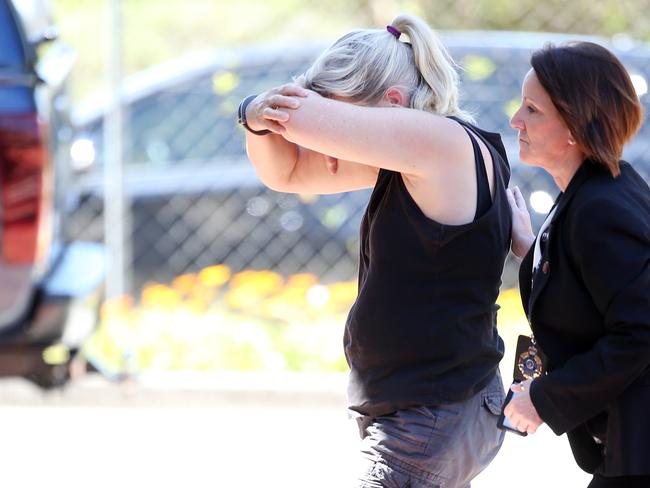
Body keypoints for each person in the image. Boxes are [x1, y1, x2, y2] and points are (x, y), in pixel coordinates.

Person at [238, 13, 512, 488]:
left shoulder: (440, 143)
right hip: (429, 409)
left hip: (431, 413)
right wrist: (255, 119)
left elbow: (300, 118)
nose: (331, 147)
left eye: (344, 123)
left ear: (393, 103)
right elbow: (285, 173)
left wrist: (265, 105)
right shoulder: (411, 160)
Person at [505, 41, 650, 487]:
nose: (516, 120)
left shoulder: (600, 209)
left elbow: (642, 329)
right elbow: (593, 286)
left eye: (532, 109)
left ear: (573, 126)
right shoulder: (595, 192)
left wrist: (545, 399)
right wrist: (532, 247)